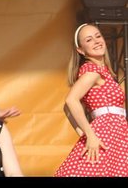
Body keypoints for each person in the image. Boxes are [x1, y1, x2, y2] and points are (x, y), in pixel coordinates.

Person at [54, 23, 128, 176]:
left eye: (98, 36)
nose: (96, 41)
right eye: (89, 40)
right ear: (81, 50)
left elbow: (67, 108)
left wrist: (83, 133)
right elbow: (70, 101)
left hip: (115, 133)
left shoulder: (102, 71)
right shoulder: (92, 72)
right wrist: (89, 135)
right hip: (107, 132)